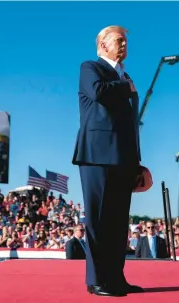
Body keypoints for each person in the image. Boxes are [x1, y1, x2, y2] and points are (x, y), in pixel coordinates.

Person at [72, 25, 148, 297]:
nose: (124, 44)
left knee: (117, 223)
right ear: (103, 44)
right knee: (98, 221)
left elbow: (131, 125)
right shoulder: (90, 67)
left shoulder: (126, 76)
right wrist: (125, 86)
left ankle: (116, 279)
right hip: (96, 155)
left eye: (126, 40)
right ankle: (95, 281)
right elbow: (97, 92)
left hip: (123, 158)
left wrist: (137, 162)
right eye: (119, 40)